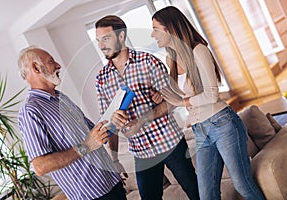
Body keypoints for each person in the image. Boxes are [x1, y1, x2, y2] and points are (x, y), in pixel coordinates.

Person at [151, 6, 265, 200]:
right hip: (200, 130)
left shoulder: (198, 50)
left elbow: (211, 95)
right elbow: (179, 101)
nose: (153, 34)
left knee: (242, 183)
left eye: (155, 28)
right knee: (206, 195)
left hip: (222, 124)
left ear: (169, 28)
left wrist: (181, 101)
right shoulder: (170, 58)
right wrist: (164, 99)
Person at [95, 15, 199, 200]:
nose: (101, 45)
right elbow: (107, 123)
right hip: (141, 152)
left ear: (121, 37)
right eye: (98, 41)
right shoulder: (101, 79)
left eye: (106, 38)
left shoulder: (147, 62)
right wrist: (115, 159)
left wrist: (144, 118)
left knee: (196, 192)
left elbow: (174, 102)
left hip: (170, 142)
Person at [17, 46, 128, 200]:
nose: (58, 65)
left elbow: (94, 134)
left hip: (111, 181)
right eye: (51, 62)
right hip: (92, 195)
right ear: (36, 68)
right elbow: (40, 166)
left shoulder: (61, 97)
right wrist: (86, 146)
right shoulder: (30, 111)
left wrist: (114, 121)